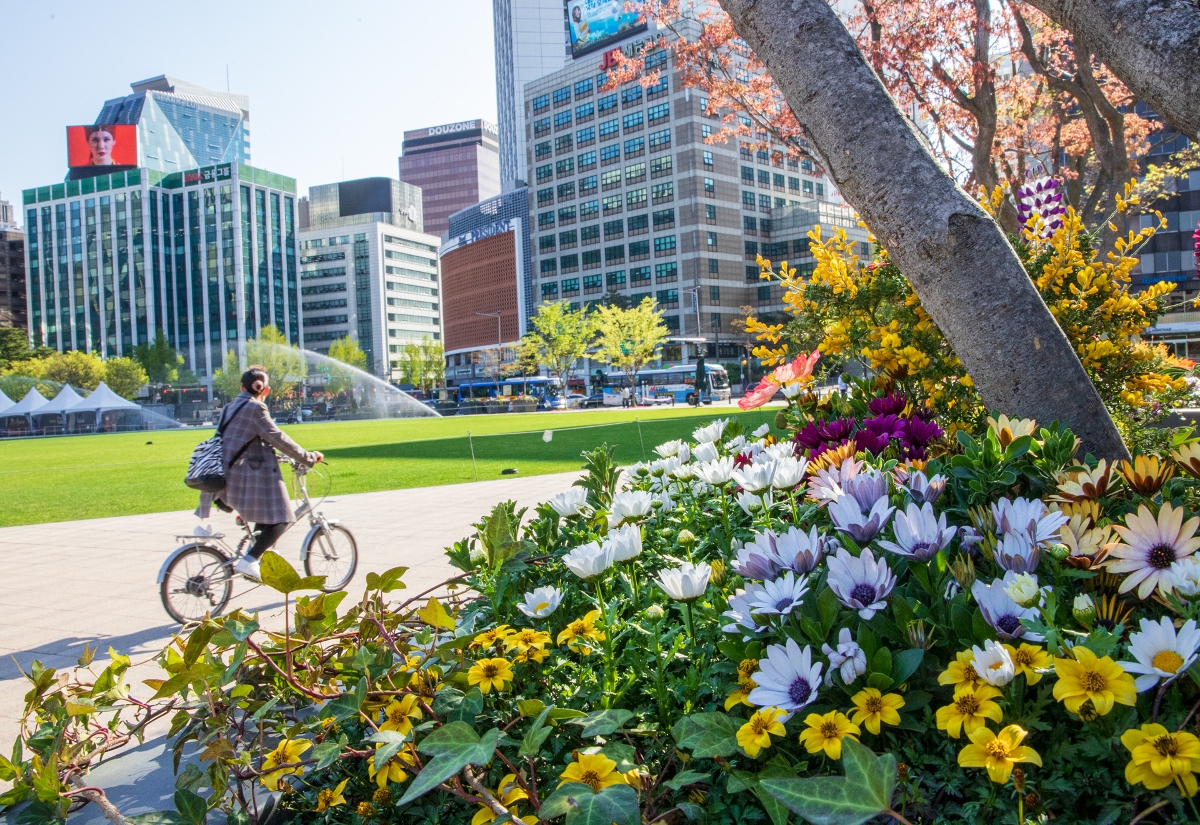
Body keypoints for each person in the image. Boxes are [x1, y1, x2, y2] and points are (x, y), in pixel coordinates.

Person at [217, 366, 323, 580]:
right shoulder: (255, 408)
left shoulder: (230, 407)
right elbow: (278, 437)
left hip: (225, 476)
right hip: (244, 479)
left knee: (266, 518)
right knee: (283, 518)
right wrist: (308, 457)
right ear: (265, 390)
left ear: (241, 387)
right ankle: (249, 561)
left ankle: (256, 559)